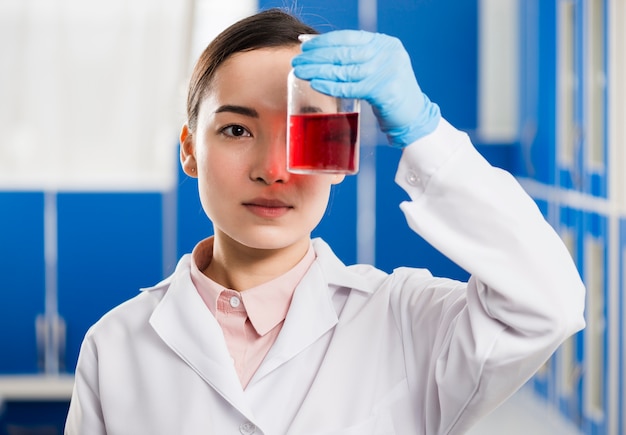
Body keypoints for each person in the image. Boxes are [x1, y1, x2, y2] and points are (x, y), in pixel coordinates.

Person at [65, 8, 586, 435]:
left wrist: (424, 132)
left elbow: (548, 305)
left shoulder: (406, 321)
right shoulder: (115, 345)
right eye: (236, 131)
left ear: (341, 152)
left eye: (305, 132)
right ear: (190, 151)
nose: (272, 171)